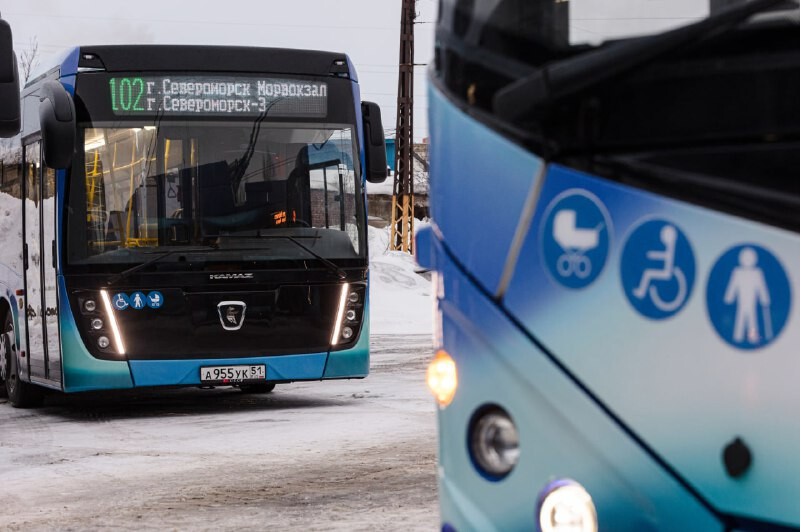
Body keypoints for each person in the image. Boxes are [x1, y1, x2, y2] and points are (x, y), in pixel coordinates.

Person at [724, 247, 771, 344]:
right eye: (745, 258)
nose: (747, 260)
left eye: (750, 258)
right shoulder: (737, 272)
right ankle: (737, 337)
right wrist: (729, 297)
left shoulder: (757, 273)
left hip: (752, 301)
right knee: (740, 317)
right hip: (741, 300)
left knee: (752, 319)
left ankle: (752, 338)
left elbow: (761, 286)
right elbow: (733, 285)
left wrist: (764, 298)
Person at [632, 225, 677, 299]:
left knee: (647, 273)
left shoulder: (670, 246)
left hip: (666, 271)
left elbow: (665, 256)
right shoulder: (670, 245)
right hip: (666, 270)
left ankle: (641, 291)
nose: (663, 236)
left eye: (665, 235)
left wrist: (653, 254)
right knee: (648, 273)